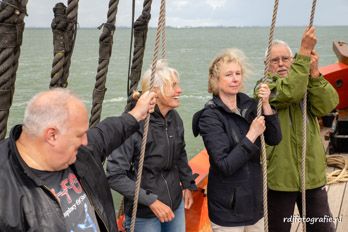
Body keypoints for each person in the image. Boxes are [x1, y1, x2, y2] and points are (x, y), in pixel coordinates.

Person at [0, 88, 156, 232]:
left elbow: (106, 132)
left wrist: (136, 114)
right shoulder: (6, 195)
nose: (85, 141)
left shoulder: (78, 154)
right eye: (79, 135)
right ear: (52, 135)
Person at [192, 48, 282, 232]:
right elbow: (225, 165)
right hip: (228, 211)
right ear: (215, 80)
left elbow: (275, 138)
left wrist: (265, 105)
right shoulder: (209, 117)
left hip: (255, 204)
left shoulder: (249, 105)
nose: (235, 79)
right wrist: (252, 134)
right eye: (228, 75)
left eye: (238, 73)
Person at [259, 27, 339, 232]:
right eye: (274, 61)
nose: (281, 64)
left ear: (293, 61)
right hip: (279, 178)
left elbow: (328, 104)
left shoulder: (305, 84)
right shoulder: (264, 88)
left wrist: (314, 74)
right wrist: (304, 50)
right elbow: (289, 93)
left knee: (322, 229)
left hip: (311, 174)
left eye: (286, 58)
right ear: (267, 67)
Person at [106, 59, 197, 232]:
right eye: (174, 85)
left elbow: (180, 154)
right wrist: (151, 201)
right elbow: (114, 175)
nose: (180, 90)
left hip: (174, 204)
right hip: (144, 213)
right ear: (155, 91)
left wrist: (187, 184)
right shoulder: (132, 123)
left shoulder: (173, 118)